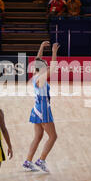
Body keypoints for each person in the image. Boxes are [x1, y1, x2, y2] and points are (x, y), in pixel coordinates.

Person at [23, 41, 60, 173]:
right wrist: (54, 51)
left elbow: (37, 60)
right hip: (43, 108)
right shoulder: (42, 77)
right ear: (42, 67)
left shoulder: (35, 75)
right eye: (45, 64)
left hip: (37, 108)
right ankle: (41, 160)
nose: (47, 64)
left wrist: (41, 47)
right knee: (53, 136)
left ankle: (28, 161)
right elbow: (54, 67)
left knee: (38, 137)